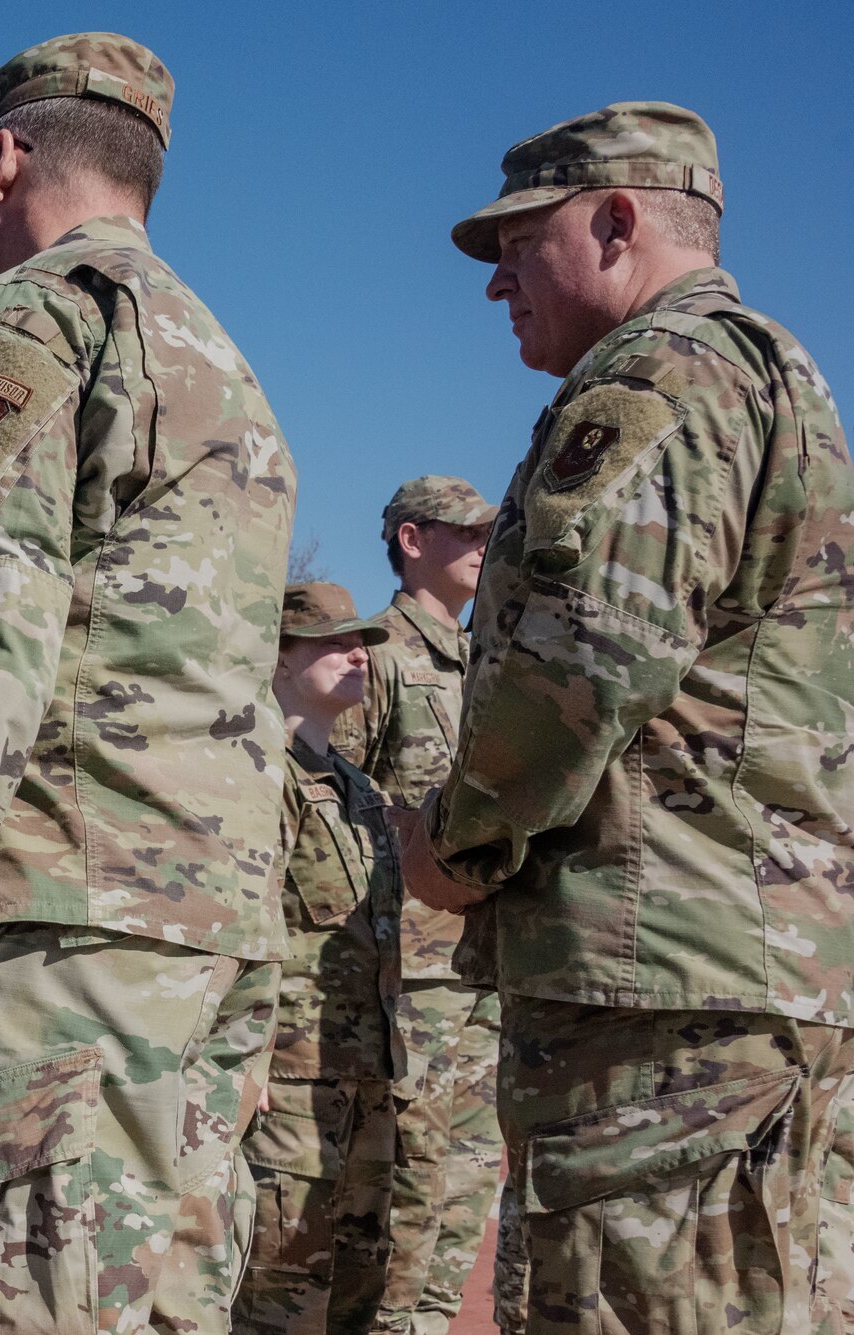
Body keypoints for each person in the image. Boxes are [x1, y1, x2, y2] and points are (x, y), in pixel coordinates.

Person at [0, 33, 298, 1331]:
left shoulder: (26, 320)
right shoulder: (222, 369)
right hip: (200, 948)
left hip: (55, 946)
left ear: (8, 158)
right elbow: (134, 664)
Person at [395, 101, 854, 1332]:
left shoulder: (662, 372)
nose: (495, 284)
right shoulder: (765, 373)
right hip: (732, 967)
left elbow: (585, 656)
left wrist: (453, 841)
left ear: (613, 221)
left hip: (657, 991)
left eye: (513, 243)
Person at [328, 476, 499, 1335]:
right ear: (409, 538)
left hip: (483, 961)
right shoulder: (378, 653)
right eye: (464, 530)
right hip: (409, 971)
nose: (482, 544)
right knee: (405, 1183)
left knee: (466, 1187)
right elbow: (338, 801)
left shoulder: (486, 660)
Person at [236, 583, 401, 1335]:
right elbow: (247, 921)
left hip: (365, 1079)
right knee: (281, 1300)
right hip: (292, 1089)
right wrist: (249, 1051)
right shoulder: (261, 774)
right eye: (333, 642)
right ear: (277, 658)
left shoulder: (360, 790)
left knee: (356, 1296)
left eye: (362, 640)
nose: (356, 654)